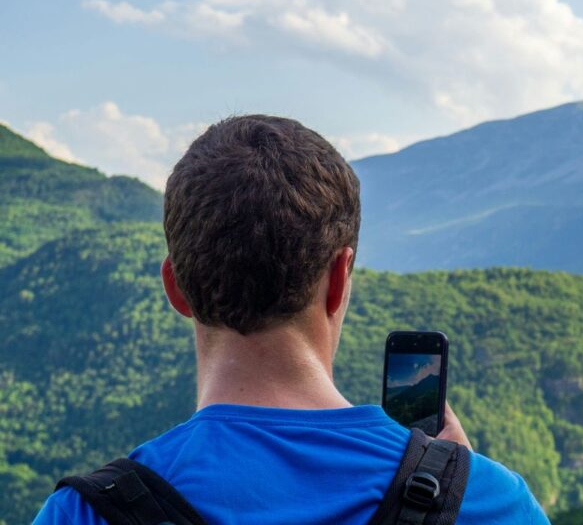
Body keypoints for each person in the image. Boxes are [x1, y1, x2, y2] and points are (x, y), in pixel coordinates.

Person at [33, 115, 549, 524]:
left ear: (176, 287)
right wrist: (456, 487)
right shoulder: (491, 503)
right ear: (339, 279)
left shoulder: (83, 513)